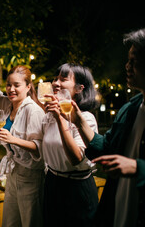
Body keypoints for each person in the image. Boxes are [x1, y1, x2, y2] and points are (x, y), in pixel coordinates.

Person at [73, 28, 145, 226]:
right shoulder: (129, 109)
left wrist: (137, 167)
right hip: (119, 210)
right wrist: (78, 121)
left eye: (133, 60)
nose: (127, 66)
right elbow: (106, 148)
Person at [0, 33, 45, 227]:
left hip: (32, 176)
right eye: (8, 85)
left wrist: (13, 139)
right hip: (14, 173)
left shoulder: (33, 110)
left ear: (28, 86)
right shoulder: (6, 103)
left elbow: (39, 149)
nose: (11, 89)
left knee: (30, 222)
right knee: (9, 222)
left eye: (16, 85)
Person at [42, 63, 99, 226]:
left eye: (63, 79)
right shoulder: (48, 116)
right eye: (55, 78)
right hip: (52, 184)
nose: (55, 83)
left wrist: (60, 118)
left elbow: (76, 159)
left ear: (79, 88)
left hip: (76, 189)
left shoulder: (86, 119)